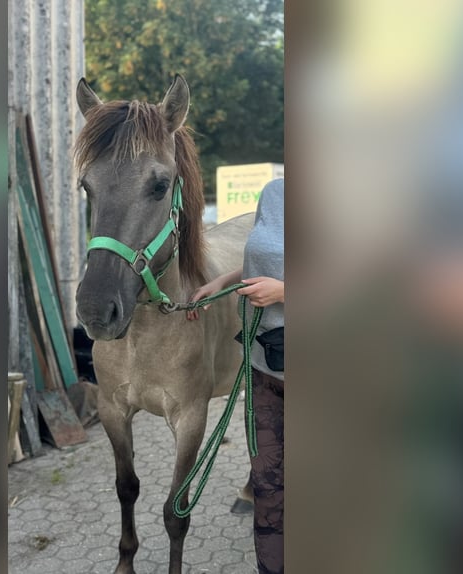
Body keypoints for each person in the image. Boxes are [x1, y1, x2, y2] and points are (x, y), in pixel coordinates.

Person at [187, 178, 284, 574]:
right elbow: (258, 259)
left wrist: (284, 292)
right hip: (265, 364)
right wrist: (220, 283)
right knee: (267, 485)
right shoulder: (274, 193)